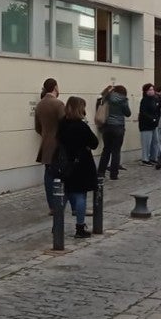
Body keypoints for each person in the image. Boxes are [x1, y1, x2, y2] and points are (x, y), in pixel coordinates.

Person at [57, 96, 98, 239]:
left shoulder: (62, 124)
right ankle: (80, 227)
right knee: (80, 195)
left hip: (66, 163)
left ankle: (56, 224)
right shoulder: (81, 126)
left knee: (65, 194)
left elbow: (59, 140)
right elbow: (94, 143)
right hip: (82, 165)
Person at [34, 79, 65, 209]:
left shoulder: (40, 105)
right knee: (61, 173)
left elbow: (37, 127)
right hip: (58, 145)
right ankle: (60, 203)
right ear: (55, 87)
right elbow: (65, 125)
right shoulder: (58, 104)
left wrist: (46, 135)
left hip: (46, 144)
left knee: (48, 174)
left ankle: (51, 205)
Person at [97, 85, 132, 180]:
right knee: (116, 151)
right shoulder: (123, 100)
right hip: (118, 127)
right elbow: (128, 113)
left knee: (106, 150)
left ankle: (101, 172)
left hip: (107, 126)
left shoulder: (108, 96)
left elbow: (100, 100)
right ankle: (114, 174)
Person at [138, 83, 161, 165]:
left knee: (155, 142)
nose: (151, 91)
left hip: (154, 124)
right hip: (146, 125)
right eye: (149, 90)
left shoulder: (155, 99)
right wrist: (152, 119)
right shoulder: (144, 100)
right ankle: (145, 159)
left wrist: (157, 119)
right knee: (146, 143)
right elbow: (143, 112)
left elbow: (158, 109)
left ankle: (153, 157)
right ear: (145, 91)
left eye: (152, 89)